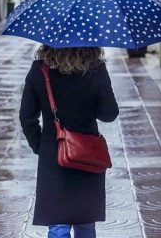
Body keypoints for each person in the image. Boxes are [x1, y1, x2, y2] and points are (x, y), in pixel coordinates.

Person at [19, 45, 120, 238]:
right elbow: (109, 114)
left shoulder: (40, 69)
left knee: (58, 226)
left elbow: (27, 117)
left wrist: (40, 145)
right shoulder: (96, 68)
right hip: (88, 155)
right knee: (85, 223)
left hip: (53, 154)